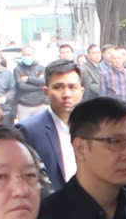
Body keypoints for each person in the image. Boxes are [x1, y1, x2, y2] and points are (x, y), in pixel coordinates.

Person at [14, 62, 82, 194]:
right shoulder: (28, 131)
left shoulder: (93, 129)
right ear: (46, 91)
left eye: (72, 87)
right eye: (58, 87)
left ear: (81, 91)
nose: (66, 94)